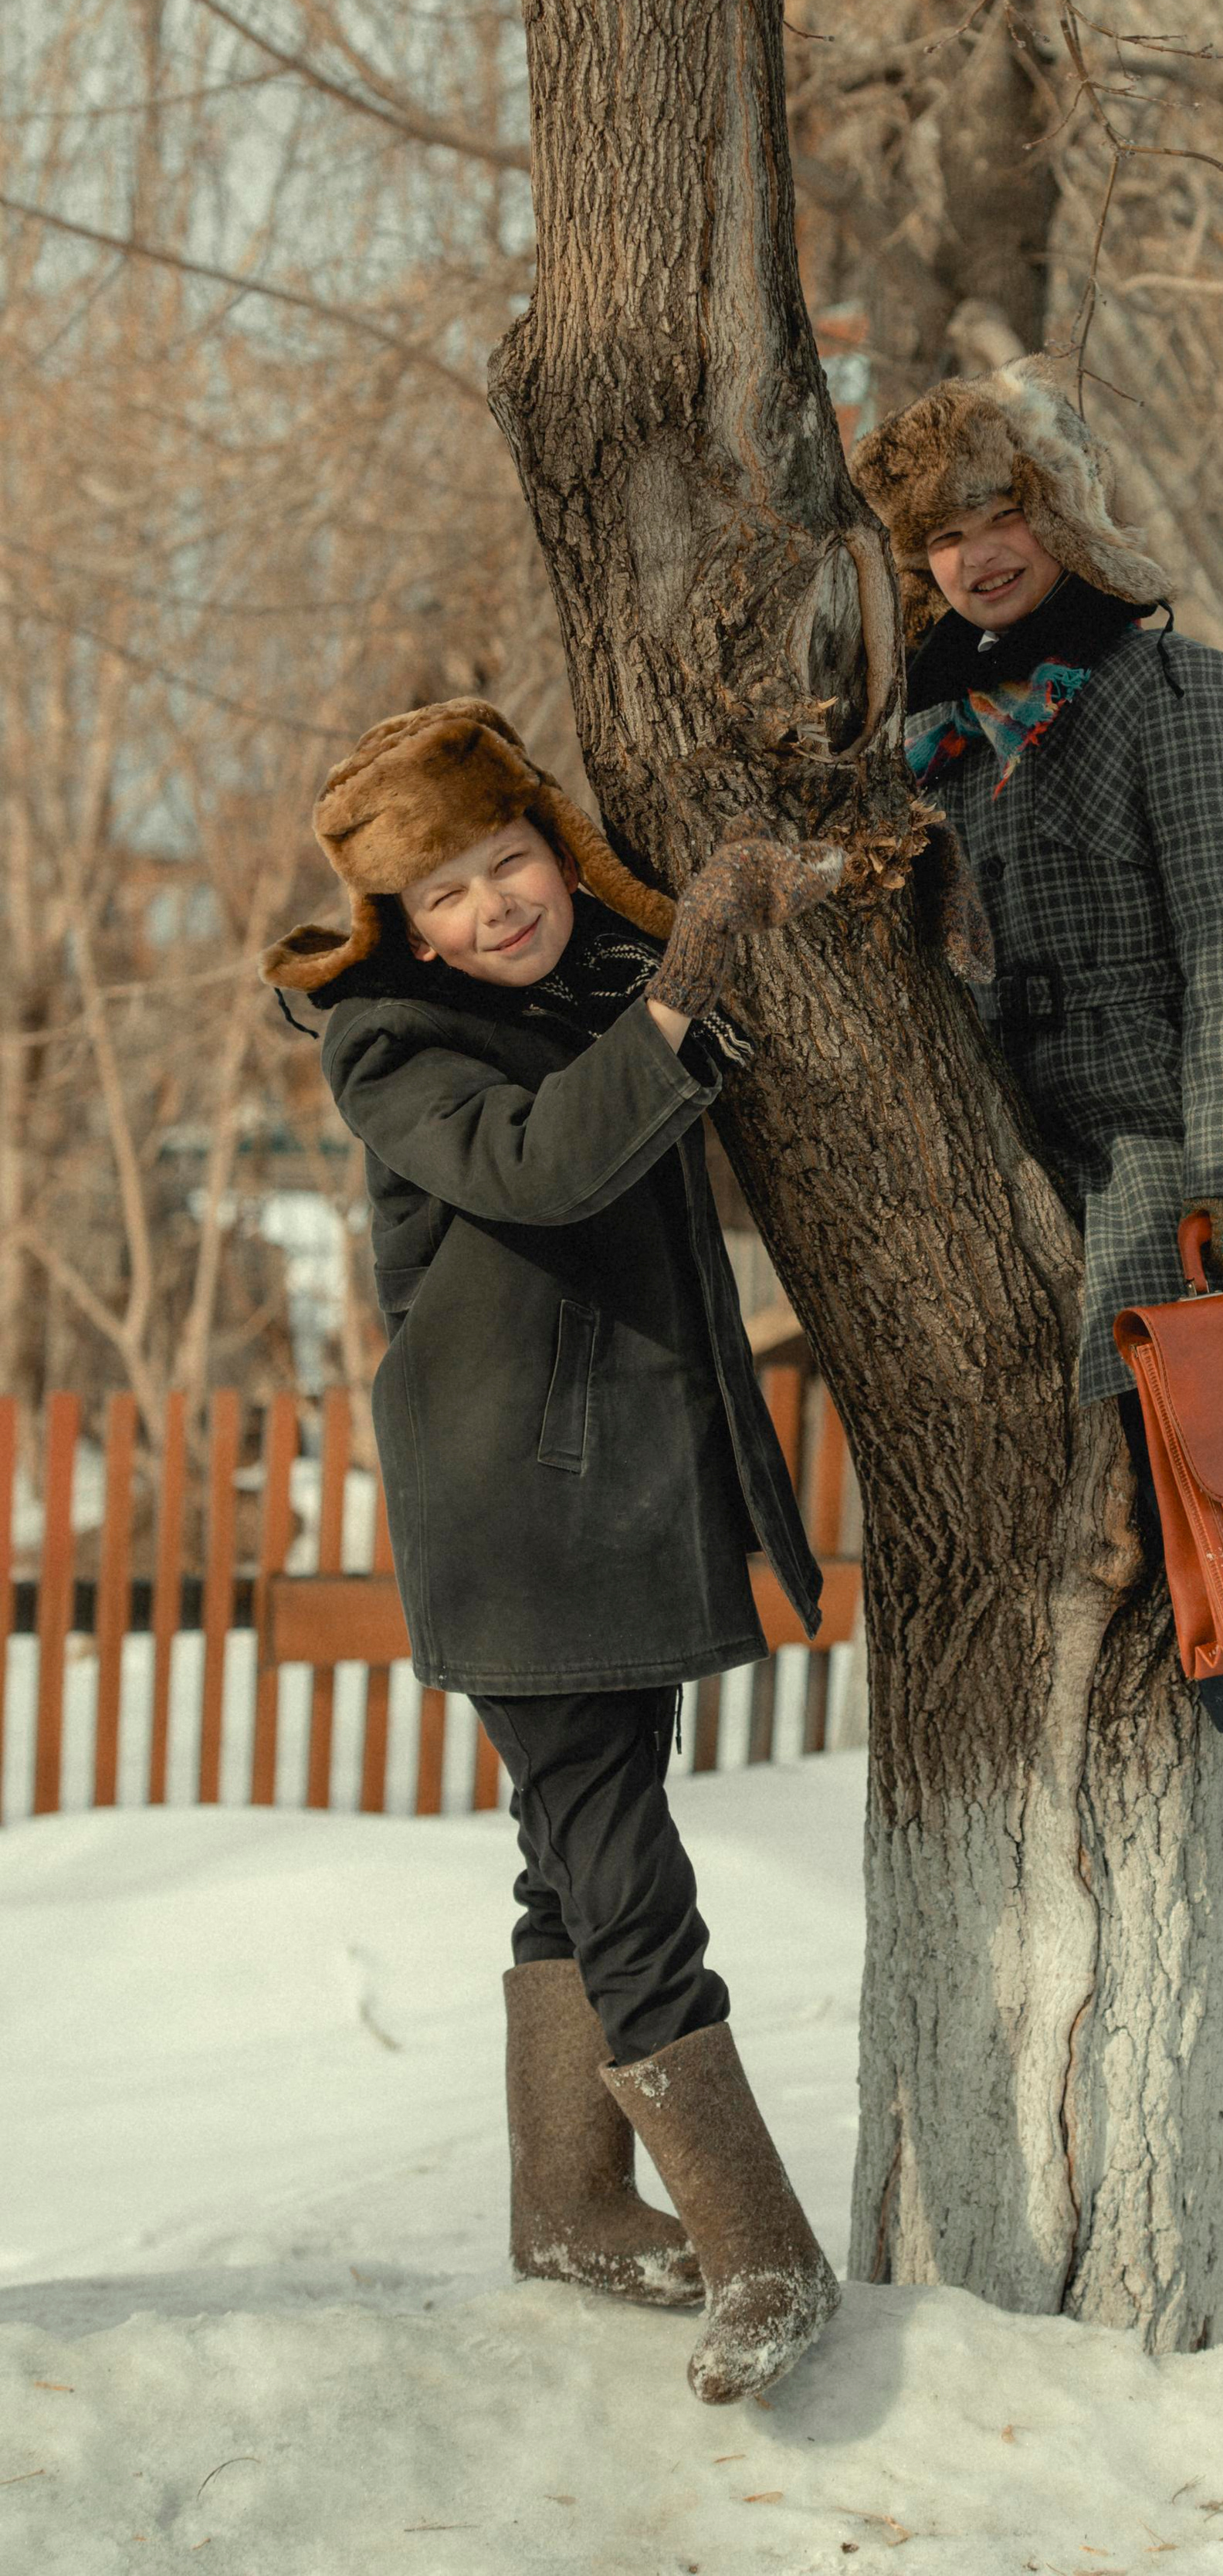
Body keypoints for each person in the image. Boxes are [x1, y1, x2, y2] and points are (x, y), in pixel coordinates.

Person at [263, 697, 843, 2405]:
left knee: (564, 1853)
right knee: (618, 1862)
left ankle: (570, 2199)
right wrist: (681, 989)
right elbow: (540, 1164)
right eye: (442, 894)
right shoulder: (393, 1042)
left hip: (612, 1498)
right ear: (397, 926)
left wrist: (688, 984)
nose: (490, 909)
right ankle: (760, 2249)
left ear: (555, 852)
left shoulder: (588, 1001)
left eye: (507, 862)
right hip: (520, 1515)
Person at [852, 358, 1223, 2022]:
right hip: (1011, 1135)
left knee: (1175, 1465)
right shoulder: (935, 727)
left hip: (1157, 1133)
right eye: (940, 534)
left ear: (1061, 514)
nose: (976, 556)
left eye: (1001, 515)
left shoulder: (1174, 690)